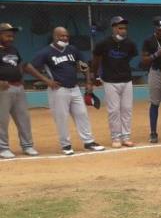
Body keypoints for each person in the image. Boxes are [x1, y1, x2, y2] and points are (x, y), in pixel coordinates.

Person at [26, 27, 104, 155]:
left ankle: (89, 142)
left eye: (66, 36)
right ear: (54, 36)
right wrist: (47, 81)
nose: (65, 38)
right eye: (61, 36)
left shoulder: (72, 49)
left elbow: (83, 65)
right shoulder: (46, 52)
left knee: (82, 114)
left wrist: (88, 81)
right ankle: (66, 145)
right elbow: (29, 67)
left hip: (75, 88)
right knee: (61, 118)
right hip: (58, 90)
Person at [92, 15, 138, 148]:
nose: (123, 30)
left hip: (126, 80)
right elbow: (96, 60)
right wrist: (95, 76)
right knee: (114, 111)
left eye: (124, 28)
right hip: (110, 81)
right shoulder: (103, 44)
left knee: (127, 110)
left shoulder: (130, 44)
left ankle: (126, 137)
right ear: (113, 28)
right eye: (120, 28)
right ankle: (115, 137)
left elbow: (129, 58)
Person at [0, 23, 37, 159]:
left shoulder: (13, 49)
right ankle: (3, 148)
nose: (11, 38)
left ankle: (27, 145)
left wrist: (21, 77)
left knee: (23, 118)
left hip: (18, 87)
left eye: (12, 36)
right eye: (7, 36)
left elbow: (19, 64)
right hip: (3, 90)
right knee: (2, 120)